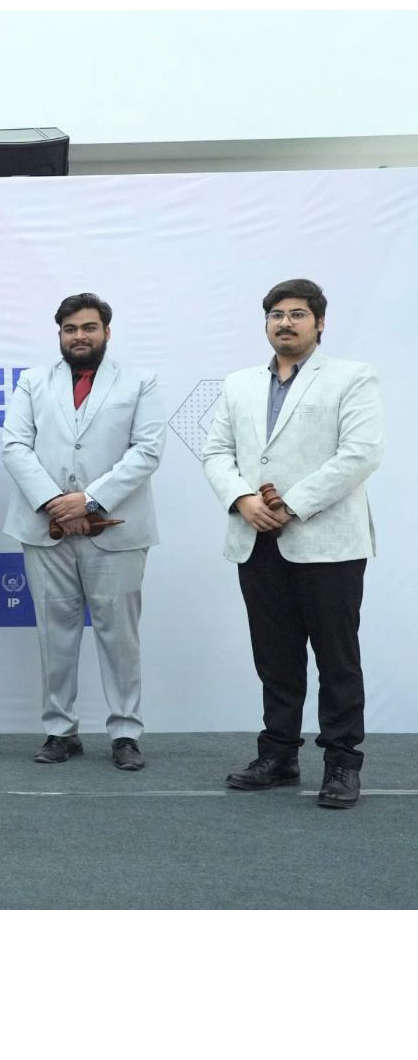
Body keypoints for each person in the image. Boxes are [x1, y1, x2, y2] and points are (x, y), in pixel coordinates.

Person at [201, 279, 384, 809]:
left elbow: (360, 454)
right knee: (275, 658)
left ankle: (343, 763)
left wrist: (290, 504)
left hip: (328, 542)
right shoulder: (238, 384)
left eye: (298, 314)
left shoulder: (352, 377)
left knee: (337, 658)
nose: (285, 323)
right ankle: (278, 754)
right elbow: (216, 454)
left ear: (319, 323)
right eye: (276, 315)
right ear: (266, 324)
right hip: (255, 539)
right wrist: (242, 499)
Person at [1, 293, 165, 770]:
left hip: (115, 528)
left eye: (89, 327)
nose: (79, 336)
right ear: (59, 334)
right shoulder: (33, 381)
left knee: (120, 637)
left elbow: (147, 450)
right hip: (44, 526)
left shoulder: (139, 381)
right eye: (70, 329)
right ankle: (60, 730)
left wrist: (90, 500)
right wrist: (56, 501)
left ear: (106, 332)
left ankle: (125, 733)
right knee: (55, 635)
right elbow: (14, 446)